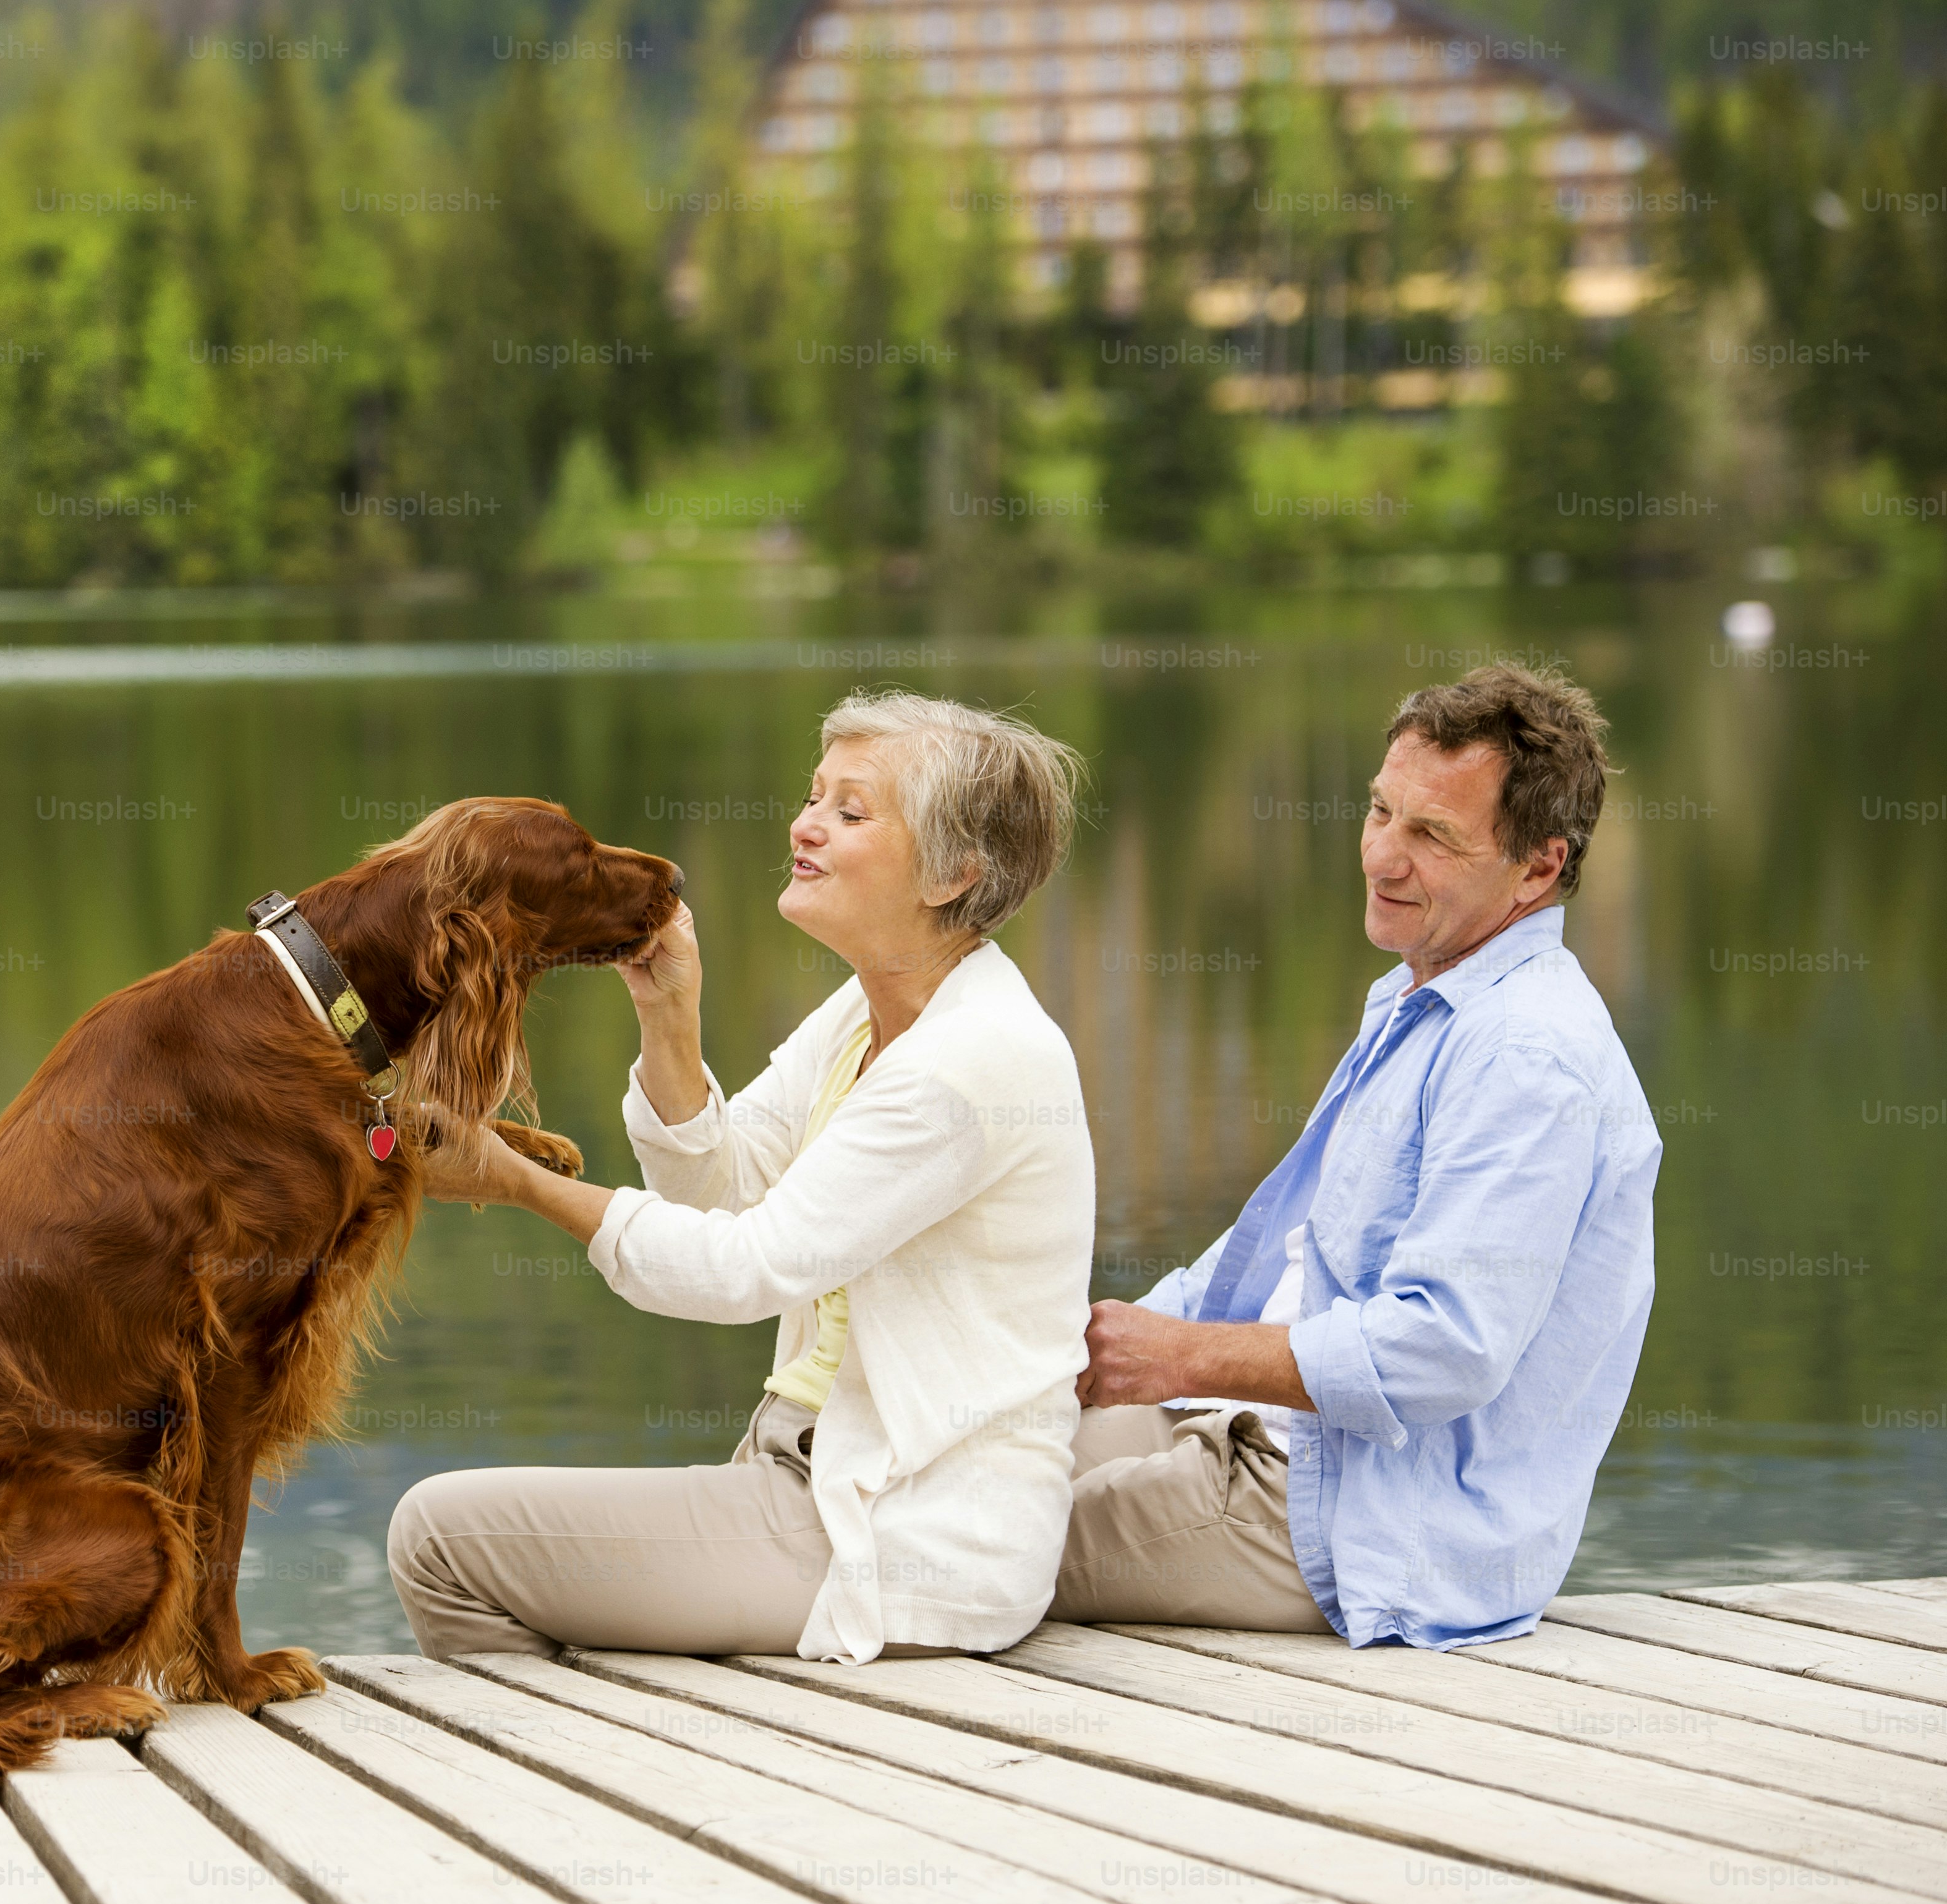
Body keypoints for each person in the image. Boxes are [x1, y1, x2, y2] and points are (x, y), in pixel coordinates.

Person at [394, 691, 1095, 1663]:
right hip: (807, 1477)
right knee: (476, 1549)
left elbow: (741, 1270)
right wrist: (670, 1021)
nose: (805, 828)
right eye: (814, 799)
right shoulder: (870, 1012)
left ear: (954, 873)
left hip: (900, 1539)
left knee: (441, 1540)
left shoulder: (969, 1060)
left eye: (851, 813)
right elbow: (727, 1193)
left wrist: (515, 1180)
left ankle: (555, 1780)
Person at [1057, 664, 1660, 1647]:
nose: (1383, 855)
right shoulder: (1419, 995)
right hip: (1259, 1438)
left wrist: (1175, 1357)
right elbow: (1292, 1256)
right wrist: (1106, 1340)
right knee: (948, 1461)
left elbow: (1443, 1347)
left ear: (1538, 870)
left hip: (1364, 1530)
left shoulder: (1527, 1054)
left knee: (950, 1545)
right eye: (1381, 811)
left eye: (1433, 836)